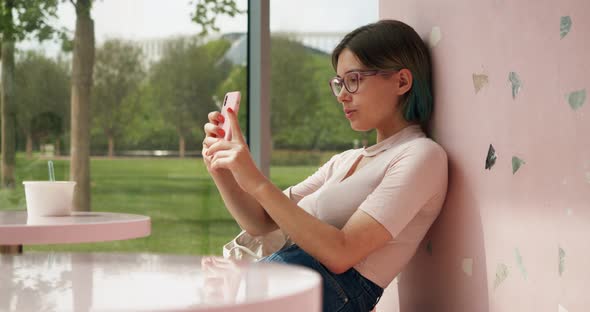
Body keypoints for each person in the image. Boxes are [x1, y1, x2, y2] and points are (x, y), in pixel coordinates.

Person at [202, 19, 448, 312]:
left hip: (331, 292)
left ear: (402, 81)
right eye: (340, 83)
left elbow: (341, 253)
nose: (343, 94)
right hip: (293, 280)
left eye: (354, 79)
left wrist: (255, 180)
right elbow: (260, 222)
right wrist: (221, 168)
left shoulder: (422, 155)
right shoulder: (344, 161)